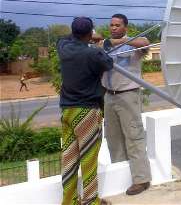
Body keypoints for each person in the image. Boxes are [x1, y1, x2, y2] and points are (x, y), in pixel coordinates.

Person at [57, 17, 113, 205]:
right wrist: (96, 43)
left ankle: (69, 201)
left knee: (69, 158)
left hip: (67, 111)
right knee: (88, 158)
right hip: (87, 112)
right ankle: (91, 201)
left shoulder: (63, 48)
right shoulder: (93, 54)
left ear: (73, 32)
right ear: (90, 34)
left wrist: (89, 37)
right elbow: (109, 63)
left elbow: (64, 38)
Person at [100, 14, 152, 195]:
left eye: (117, 25)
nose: (113, 28)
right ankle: (120, 177)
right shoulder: (104, 46)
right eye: (111, 25)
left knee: (134, 137)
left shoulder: (133, 45)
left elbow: (145, 41)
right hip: (109, 96)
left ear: (125, 27)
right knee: (114, 139)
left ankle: (142, 180)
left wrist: (119, 42)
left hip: (128, 95)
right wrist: (107, 43)